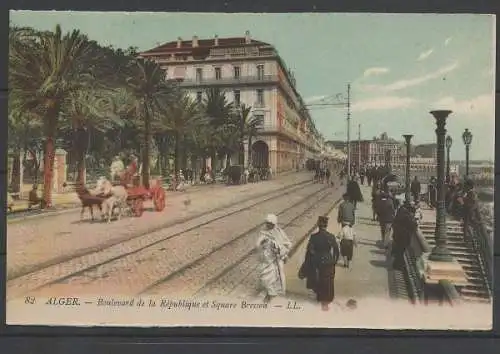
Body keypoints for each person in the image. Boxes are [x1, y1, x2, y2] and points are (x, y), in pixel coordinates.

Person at [299, 216, 340, 311]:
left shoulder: (313, 237)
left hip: (317, 262)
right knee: (328, 283)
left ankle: (321, 300)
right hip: (328, 262)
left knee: (318, 281)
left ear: (318, 225)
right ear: (326, 225)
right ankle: (325, 303)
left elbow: (309, 251)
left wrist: (307, 264)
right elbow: (336, 252)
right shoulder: (331, 236)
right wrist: (334, 261)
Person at [256, 214, 292, 303]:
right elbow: (258, 245)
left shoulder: (279, 232)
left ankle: (273, 294)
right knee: (266, 275)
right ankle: (269, 293)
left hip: (277, 258)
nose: (268, 225)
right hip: (267, 258)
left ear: (274, 224)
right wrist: (261, 244)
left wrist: (280, 249)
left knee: (277, 276)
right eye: (267, 223)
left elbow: (288, 244)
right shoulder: (263, 232)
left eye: (270, 224)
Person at [391, 201, 418, 269]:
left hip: (398, 235)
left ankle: (397, 264)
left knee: (399, 251)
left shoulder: (401, 212)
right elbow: (413, 225)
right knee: (400, 251)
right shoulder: (406, 216)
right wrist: (415, 220)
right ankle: (397, 265)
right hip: (403, 237)